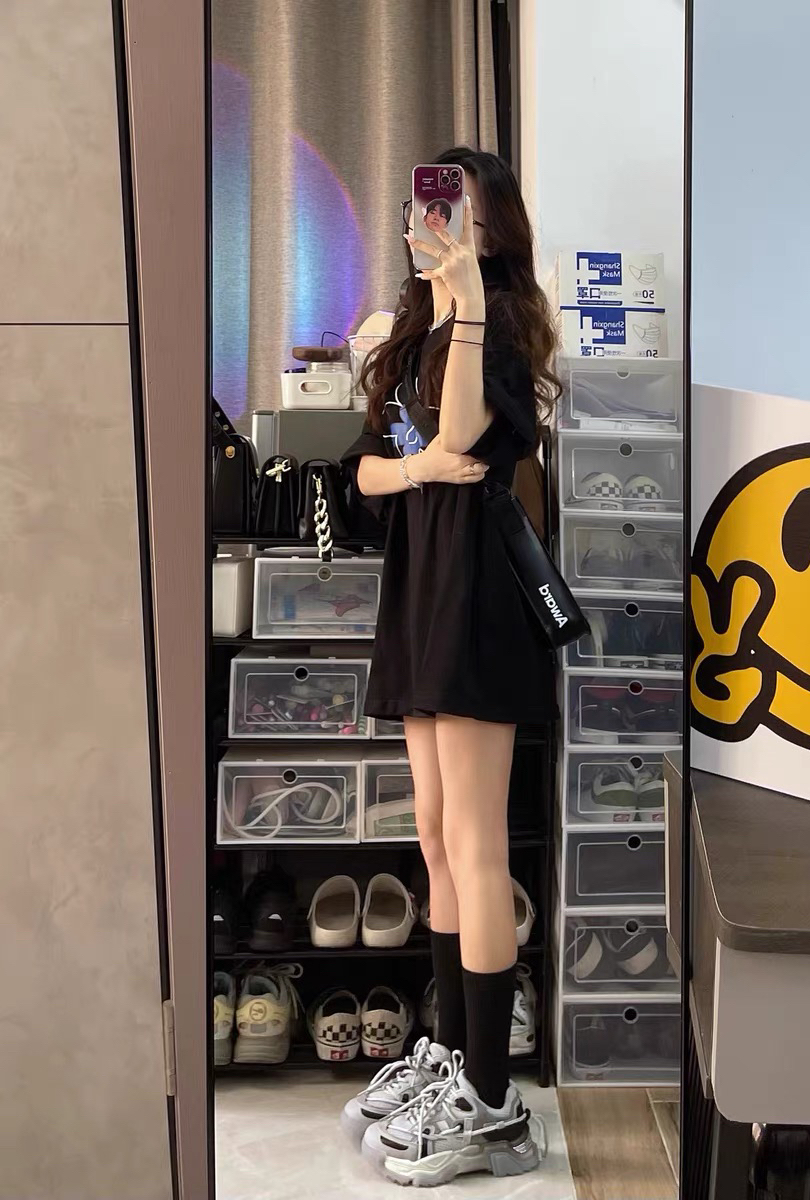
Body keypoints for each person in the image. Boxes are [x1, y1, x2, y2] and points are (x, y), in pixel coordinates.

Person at [341, 146, 560, 1188]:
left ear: (490, 226)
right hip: (420, 591)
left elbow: (470, 428)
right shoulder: (405, 329)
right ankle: (451, 1057)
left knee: (474, 842)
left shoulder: (497, 325)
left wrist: (466, 300)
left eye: (456, 209)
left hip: (474, 596)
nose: (433, 222)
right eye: (426, 206)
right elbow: (365, 471)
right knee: (431, 833)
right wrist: (416, 464)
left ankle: (492, 1102)